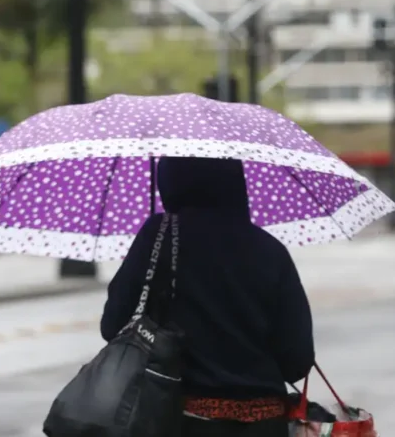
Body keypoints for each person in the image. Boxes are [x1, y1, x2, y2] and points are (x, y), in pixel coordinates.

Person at [100, 156, 315, 437]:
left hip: (180, 421)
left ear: (171, 181)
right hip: (264, 424)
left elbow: (113, 325)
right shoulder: (270, 250)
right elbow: (297, 360)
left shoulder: (159, 234)